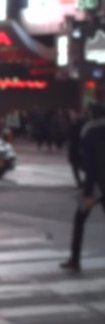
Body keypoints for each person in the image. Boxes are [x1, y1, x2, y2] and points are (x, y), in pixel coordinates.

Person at [60, 104, 105, 273]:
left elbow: (90, 164)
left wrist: (88, 192)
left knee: (79, 220)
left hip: (95, 187)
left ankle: (75, 259)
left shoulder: (89, 132)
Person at [68, 110, 86, 188]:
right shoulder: (75, 124)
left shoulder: (80, 124)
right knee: (76, 166)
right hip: (76, 149)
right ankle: (80, 182)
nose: (72, 116)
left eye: (73, 115)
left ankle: (81, 182)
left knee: (78, 166)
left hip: (77, 148)